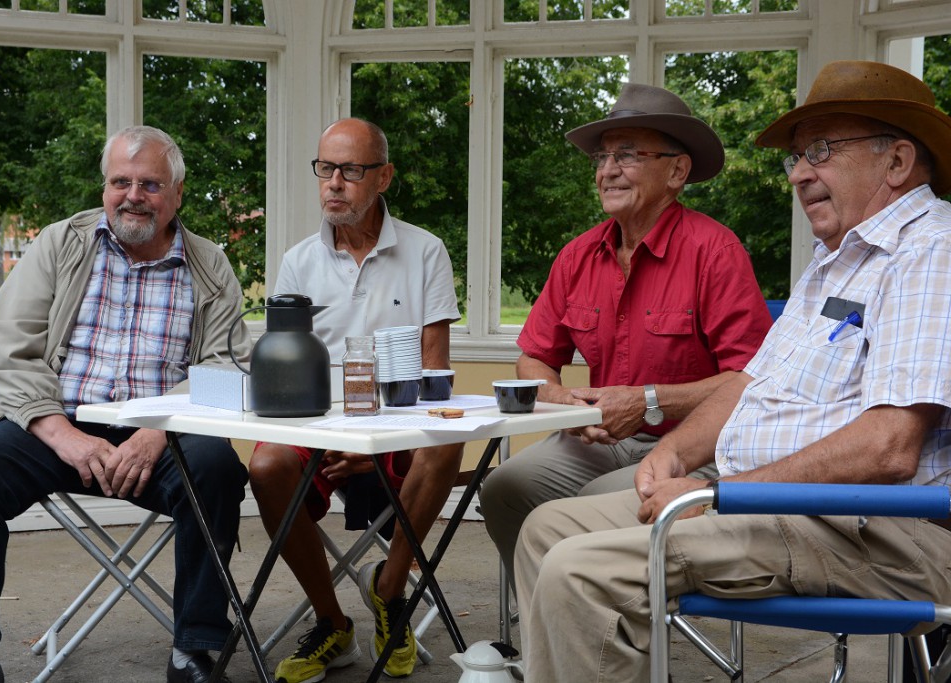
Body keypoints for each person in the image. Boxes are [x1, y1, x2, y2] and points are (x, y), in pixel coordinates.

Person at [514, 60, 951, 681]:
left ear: (898, 162)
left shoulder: (929, 252)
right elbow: (751, 383)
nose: (799, 174)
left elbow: (890, 449)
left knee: (578, 570)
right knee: (545, 527)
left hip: (869, 530)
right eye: (796, 157)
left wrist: (719, 492)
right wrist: (672, 456)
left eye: (820, 151)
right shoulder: (834, 264)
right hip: (769, 504)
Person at [0, 125, 253, 683]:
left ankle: (194, 648)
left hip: (161, 431)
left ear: (177, 193)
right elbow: (11, 349)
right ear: (105, 187)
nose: (133, 195)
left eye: (149, 184)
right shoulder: (61, 243)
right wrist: (64, 434)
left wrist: (160, 427)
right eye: (119, 182)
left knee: (218, 470)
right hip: (56, 421)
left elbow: (227, 365)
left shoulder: (209, 266)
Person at [479, 83, 773, 586]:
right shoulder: (578, 255)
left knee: (589, 509)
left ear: (677, 171)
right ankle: (550, 637)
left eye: (629, 155)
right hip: (597, 442)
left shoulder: (716, 252)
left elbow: (752, 380)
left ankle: (611, 640)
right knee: (504, 486)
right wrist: (565, 400)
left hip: (696, 451)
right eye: (602, 156)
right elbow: (532, 358)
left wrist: (647, 401)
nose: (608, 170)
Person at [247, 118, 463, 682]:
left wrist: (374, 445)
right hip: (319, 426)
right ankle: (332, 622)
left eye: (350, 170)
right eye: (325, 169)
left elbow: (434, 371)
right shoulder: (299, 261)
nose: (333, 183)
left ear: (383, 176)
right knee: (266, 463)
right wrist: (333, 440)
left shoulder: (426, 251)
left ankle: (390, 592)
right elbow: (292, 375)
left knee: (445, 447)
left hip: (396, 424)